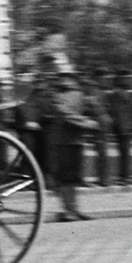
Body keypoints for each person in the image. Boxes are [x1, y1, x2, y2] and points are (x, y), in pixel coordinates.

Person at [46, 62, 96, 222]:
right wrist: (86, 122)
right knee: (65, 178)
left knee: (74, 178)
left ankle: (74, 209)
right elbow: (65, 114)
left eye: (68, 76)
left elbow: (91, 109)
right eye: (62, 76)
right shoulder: (56, 95)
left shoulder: (80, 94)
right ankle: (67, 210)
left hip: (76, 140)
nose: (66, 80)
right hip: (62, 141)